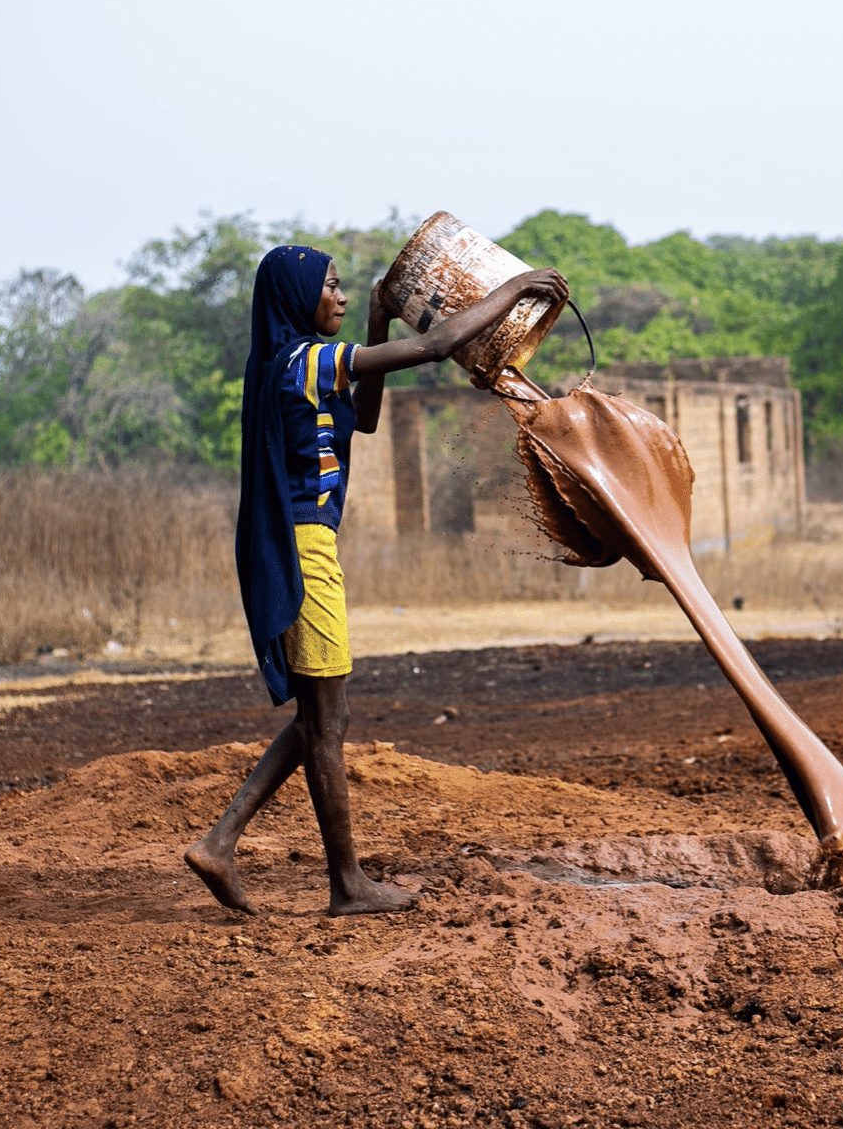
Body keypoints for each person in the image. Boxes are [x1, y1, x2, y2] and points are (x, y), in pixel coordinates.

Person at [185, 244, 567, 916]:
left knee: (322, 718)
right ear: (296, 296)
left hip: (307, 545)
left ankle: (221, 843)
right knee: (326, 722)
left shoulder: (293, 364)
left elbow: (363, 418)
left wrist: (376, 314)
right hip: (304, 551)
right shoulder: (305, 360)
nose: (335, 296)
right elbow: (439, 344)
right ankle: (345, 882)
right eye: (329, 288)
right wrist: (516, 289)